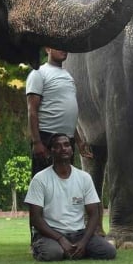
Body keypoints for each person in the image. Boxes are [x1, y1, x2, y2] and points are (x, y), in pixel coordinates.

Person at [23, 134, 114, 262]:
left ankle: (75, 249)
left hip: (79, 234)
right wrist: (60, 239)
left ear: (72, 150)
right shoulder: (40, 179)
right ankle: (55, 249)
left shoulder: (84, 178)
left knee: (108, 251)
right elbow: (35, 218)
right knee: (53, 254)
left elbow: (94, 214)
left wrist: (83, 242)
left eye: (67, 145)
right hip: (51, 234)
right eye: (58, 146)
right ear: (50, 152)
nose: (63, 148)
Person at [26, 46, 78, 174]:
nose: (64, 48)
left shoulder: (68, 76)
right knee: (45, 186)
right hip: (47, 139)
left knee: (65, 186)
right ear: (48, 49)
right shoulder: (39, 73)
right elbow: (32, 110)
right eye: (58, 45)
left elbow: (69, 115)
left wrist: (79, 141)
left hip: (67, 140)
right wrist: (37, 142)